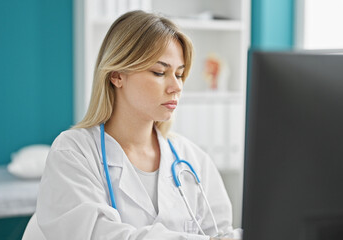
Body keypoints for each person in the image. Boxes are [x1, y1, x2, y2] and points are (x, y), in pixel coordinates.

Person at [23, 10, 242, 240]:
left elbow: (221, 234)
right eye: (159, 72)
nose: (176, 86)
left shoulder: (194, 160)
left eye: (179, 74)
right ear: (117, 75)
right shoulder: (73, 152)